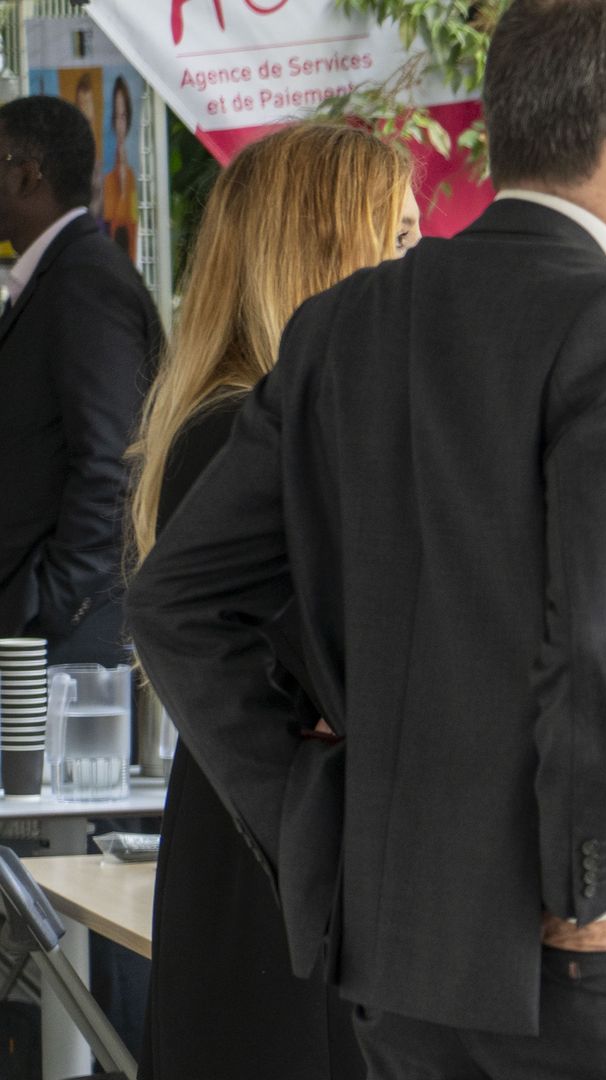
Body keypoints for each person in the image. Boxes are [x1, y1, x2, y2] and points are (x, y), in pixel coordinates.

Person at [126, 2, 606, 1077]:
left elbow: (173, 603)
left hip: (402, 962)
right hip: (582, 964)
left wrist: (317, 822)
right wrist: (592, 885)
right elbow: (603, 641)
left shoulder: (343, 324)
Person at [127, 121, 417, 1080]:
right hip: (277, 877)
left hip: (265, 857)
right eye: (403, 241)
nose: (422, 272)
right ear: (331, 253)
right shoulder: (246, 437)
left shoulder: (239, 418)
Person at [0, 95, 163, 666]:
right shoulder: (55, 274)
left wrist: (55, 601)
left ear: (26, 175)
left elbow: (112, 459)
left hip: (72, 641)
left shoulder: (83, 279)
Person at [101, 76, 138, 260]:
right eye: (116, 116)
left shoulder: (133, 177)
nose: (120, 125)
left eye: (123, 116)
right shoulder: (107, 178)